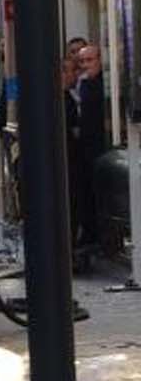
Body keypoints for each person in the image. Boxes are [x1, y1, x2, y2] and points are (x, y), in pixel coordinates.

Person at [68, 41, 110, 254]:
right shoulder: (80, 84)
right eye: (81, 61)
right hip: (84, 149)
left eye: (89, 60)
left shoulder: (103, 85)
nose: (85, 64)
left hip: (100, 147)